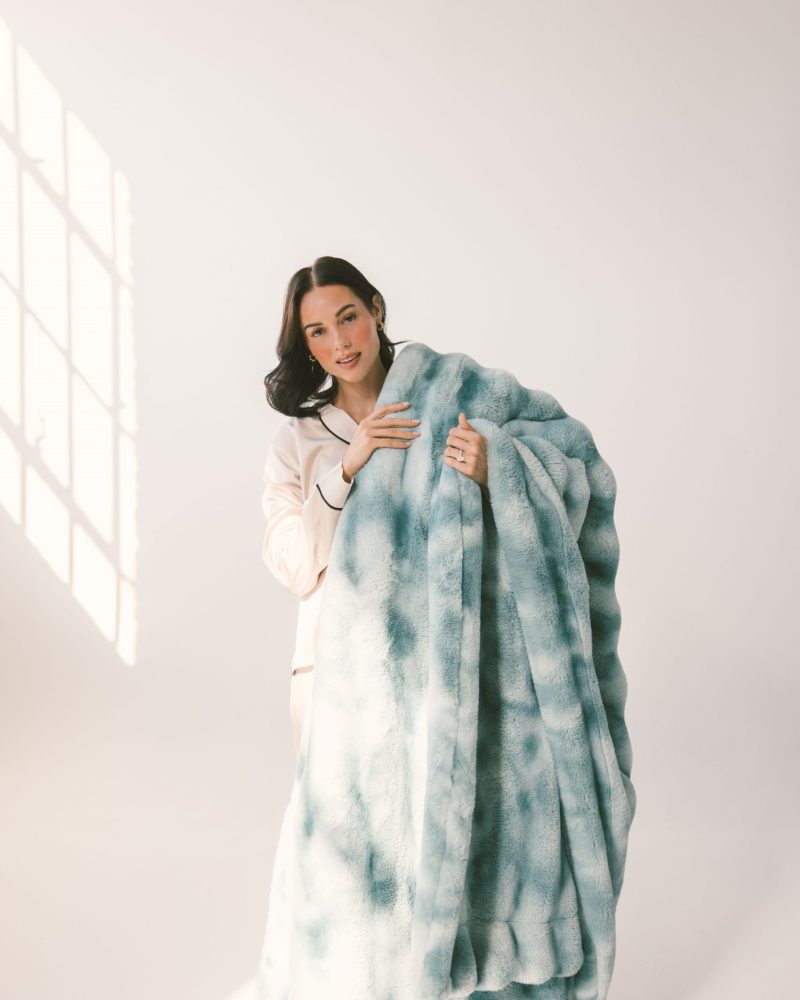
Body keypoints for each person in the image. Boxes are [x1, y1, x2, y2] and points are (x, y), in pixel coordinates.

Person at [261, 256, 489, 759]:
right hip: (333, 675)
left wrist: (492, 473)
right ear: (307, 346)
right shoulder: (296, 441)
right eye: (318, 332)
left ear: (376, 310)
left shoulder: (444, 406)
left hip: (430, 665)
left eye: (348, 318)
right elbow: (294, 566)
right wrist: (346, 468)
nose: (340, 343)